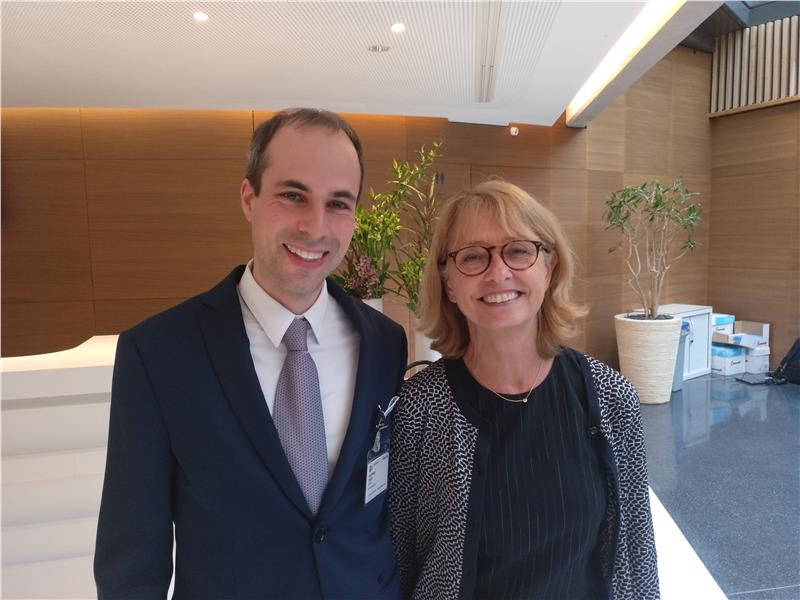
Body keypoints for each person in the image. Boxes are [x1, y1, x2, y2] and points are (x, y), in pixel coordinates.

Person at [95, 109, 408, 599]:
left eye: (338, 203)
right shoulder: (158, 354)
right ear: (249, 198)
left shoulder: (385, 343)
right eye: (293, 195)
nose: (315, 227)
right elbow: (132, 561)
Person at [388, 179, 659, 600]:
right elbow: (398, 563)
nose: (498, 272)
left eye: (518, 251)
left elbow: (637, 552)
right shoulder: (420, 409)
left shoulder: (609, 396)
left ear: (549, 268)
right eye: (473, 256)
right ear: (449, 284)